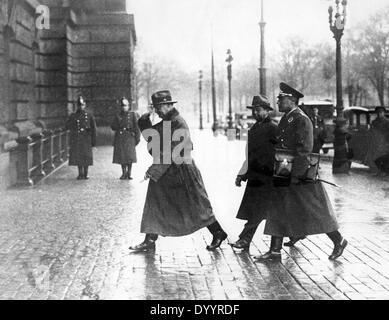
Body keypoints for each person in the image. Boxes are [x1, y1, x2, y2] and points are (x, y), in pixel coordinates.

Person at [256, 82, 348, 261]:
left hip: (298, 174)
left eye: (281, 99)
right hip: (284, 168)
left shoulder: (301, 119)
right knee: (278, 207)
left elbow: (304, 150)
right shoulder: (287, 118)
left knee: (315, 210)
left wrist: (296, 176)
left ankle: (339, 240)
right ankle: (275, 250)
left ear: (291, 100)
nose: (278, 102)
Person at [129, 90, 228, 252]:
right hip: (166, 172)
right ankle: (149, 239)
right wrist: (144, 122)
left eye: (160, 107)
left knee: (197, 206)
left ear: (168, 105)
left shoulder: (178, 122)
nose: (158, 111)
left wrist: (154, 170)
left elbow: (173, 151)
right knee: (154, 203)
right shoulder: (166, 122)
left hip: (183, 172)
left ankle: (218, 232)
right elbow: (155, 145)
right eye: (155, 107)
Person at [230, 95, 277, 251]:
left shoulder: (273, 128)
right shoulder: (255, 128)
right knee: (260, 210)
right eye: (254, 110)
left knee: (258, 210)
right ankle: (296, 234)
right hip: (256, 176)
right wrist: (242, 174)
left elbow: (278, 153)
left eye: (259, 110)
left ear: (267, 111)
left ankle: (244, 239)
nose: (255, 113)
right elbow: (250, 155)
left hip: (267, 177)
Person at [65, 96, 97, 180]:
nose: (81, 107)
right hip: (77, 139)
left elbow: (94, 129)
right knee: (78, 157)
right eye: (79, 105)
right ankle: (80, 173)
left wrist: (93, 142)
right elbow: (67, 126)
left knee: (86, 156)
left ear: (85, 105)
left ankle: (86, 173)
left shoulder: (89, 115)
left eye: (82, 105)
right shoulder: (73, 115)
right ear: (77, 106)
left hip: (86, 139)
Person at [111, 98, 140, 180]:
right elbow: (112, 126)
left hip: (130, 137)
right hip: (120, 138)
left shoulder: (132, 115)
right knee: (122, 157)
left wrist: (137, 139)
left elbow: (137, 127)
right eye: (123, 106)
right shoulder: (118, 115)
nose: (124, 108)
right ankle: (124, 173)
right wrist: (118, 124)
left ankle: (129, 173)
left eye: (126, 106)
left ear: (129, 106)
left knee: (129, 157)